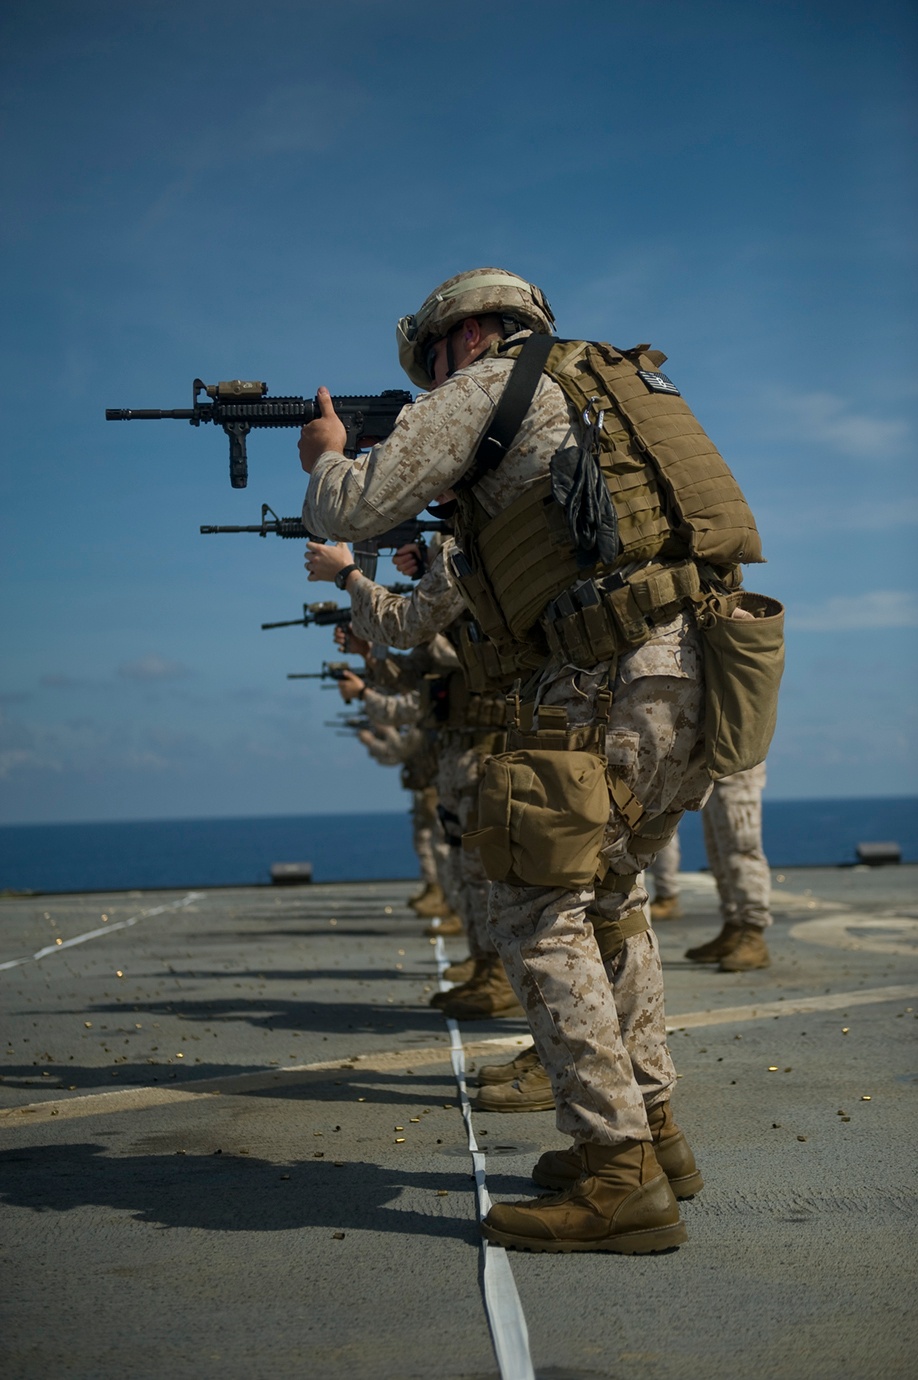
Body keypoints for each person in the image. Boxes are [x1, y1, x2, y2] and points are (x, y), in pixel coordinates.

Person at [299, 268, 763, 1254]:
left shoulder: (491, 386)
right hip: (696, 671)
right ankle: (654, 1140)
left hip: (605, 679)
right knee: (609, 899)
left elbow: (354, 505)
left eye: (431, 361)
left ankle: (617, 1176)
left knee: (534, 907)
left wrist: (327, 456)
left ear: (467, 337)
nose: (431, 382)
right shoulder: (605, 393)